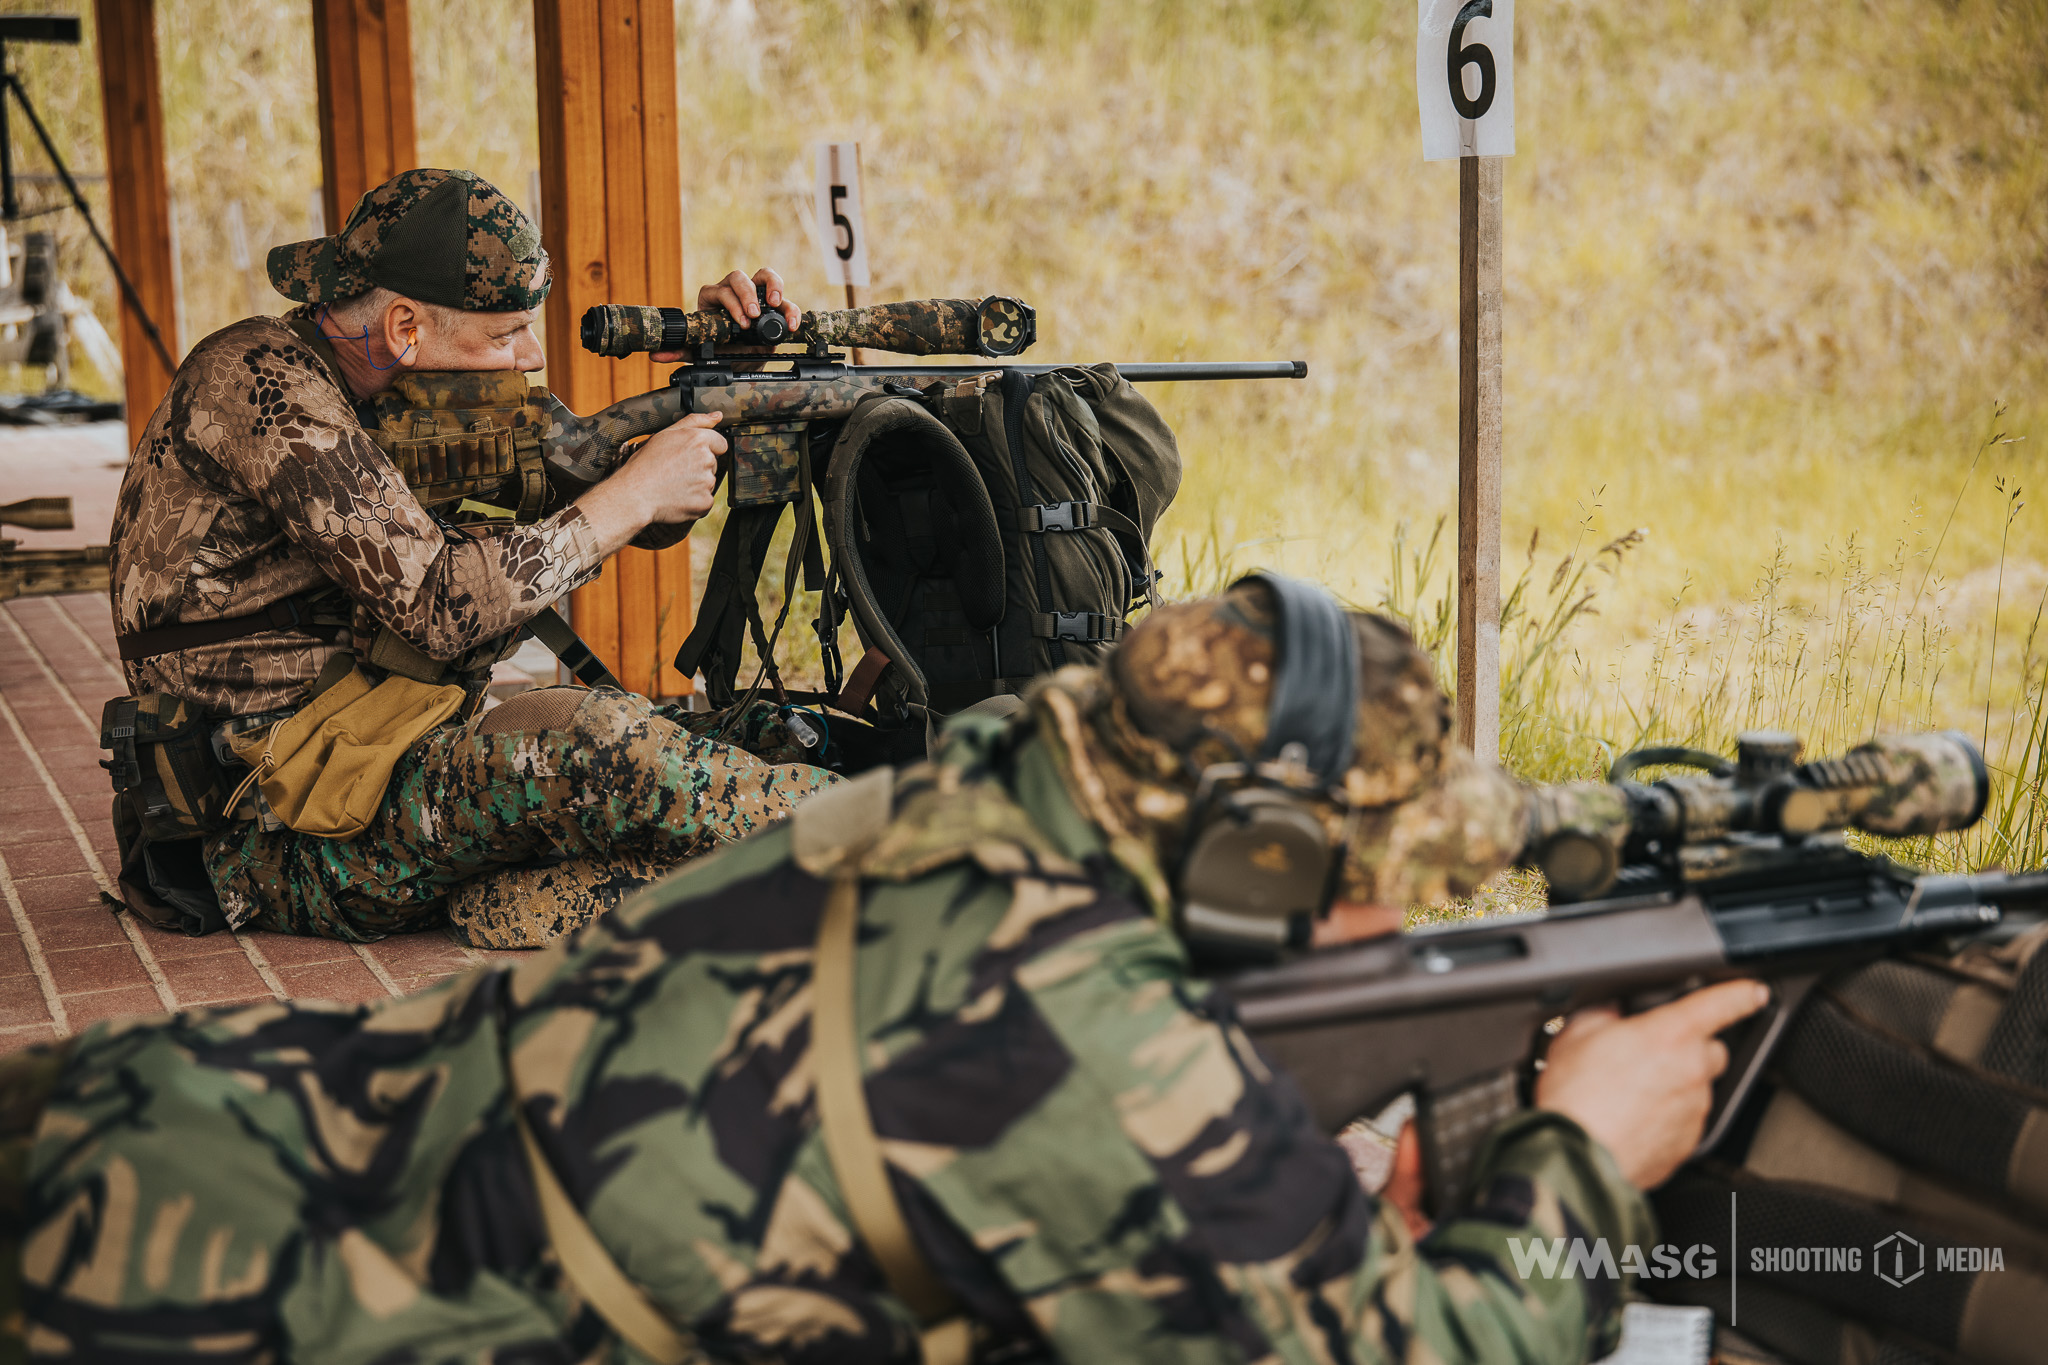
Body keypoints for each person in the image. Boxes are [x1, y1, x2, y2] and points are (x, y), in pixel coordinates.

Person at [10, 579, 1765, 1363]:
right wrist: (1584, 1154)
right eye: (1380, 880)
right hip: (195, 1309)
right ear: (1253, 864)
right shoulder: (1092, 1043)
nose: (1396, 915)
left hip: (169, 1120)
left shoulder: (981, 798)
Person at [105, 167, 834, 943]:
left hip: (382, 748)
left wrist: (720, 390)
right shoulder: (262, 388)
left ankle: (559, 893)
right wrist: (632, 495)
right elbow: (440, 604)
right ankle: (909, 835)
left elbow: (614, 494)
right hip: (272, 833)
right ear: (404, 327)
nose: (527, 356)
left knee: (736, 734)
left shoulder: (414, 386)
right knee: (597, 750)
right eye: (503, 335)